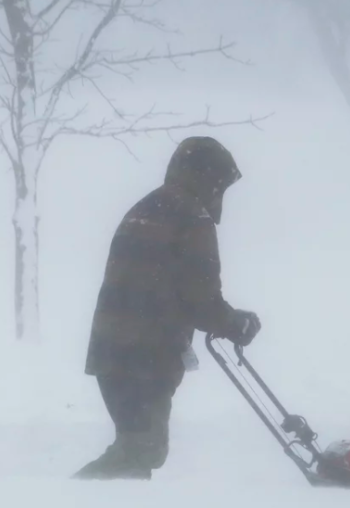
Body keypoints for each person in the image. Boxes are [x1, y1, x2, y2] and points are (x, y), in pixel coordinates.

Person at [72, 136, 261, 480]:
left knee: (135, 449)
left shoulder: (148, 206)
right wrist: (235, 324)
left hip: (111, 351)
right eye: (221, 185)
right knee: (140, 452)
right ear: (209, 179)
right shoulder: (192, 215)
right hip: (147, 354)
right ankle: (68, 498)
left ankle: (80, 495)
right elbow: (200, 297)